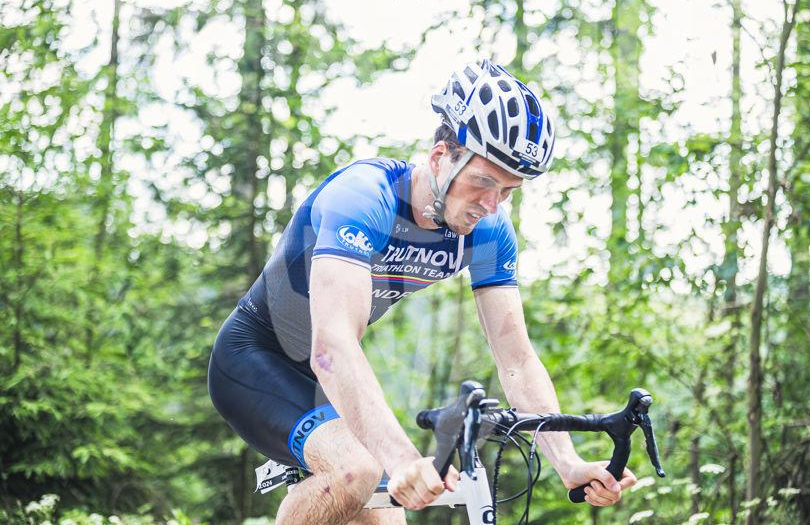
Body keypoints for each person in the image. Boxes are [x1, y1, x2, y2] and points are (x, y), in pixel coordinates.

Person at [207, 59, 637, 524]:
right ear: (440, 157)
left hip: (330, 381)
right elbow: (332, 344)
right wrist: (401, 458)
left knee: (390, 513)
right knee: (358, 470)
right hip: (255, 359)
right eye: (483, 182)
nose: (491, 205)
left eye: (508, 191)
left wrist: (567, 462)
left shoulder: (489, 232)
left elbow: (516, 359)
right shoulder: (363, 198)